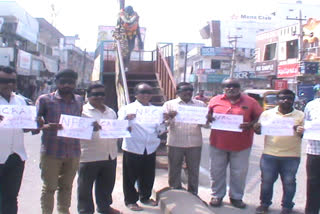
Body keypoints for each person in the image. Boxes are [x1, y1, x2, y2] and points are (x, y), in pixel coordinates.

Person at [207, 78, 263, 208]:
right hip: (217, 143)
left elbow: (259, 117)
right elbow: (206, 115)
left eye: (234, 86)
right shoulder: (215, 100)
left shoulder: (251, 102)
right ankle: (217, 195)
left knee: (239, 172)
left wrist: (250, 124)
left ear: (240, 87)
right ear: (223, 88)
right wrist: (208, 117)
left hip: (242, 145)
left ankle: (236, 197)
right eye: (227, 86)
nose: (231, 88)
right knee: (216, 171)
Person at [36, 69, 83, 214]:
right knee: (49, 187)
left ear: (75, 83)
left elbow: (80, 122)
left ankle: (64, 211)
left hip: (73, 151)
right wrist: (46, 126)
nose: (67, 85)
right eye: (63, 82)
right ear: (57, 83)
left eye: (71, 82)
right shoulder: (44, 100)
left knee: (67, 187)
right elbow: (34, 125)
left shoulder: (80, 100)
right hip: (51, 151)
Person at [253, 89, 304, 214]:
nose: (286, 100)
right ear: (277, 100)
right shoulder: (267, 114)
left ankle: (287, 206)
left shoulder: (301, 115)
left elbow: (307, 134)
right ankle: (264, 204)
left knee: (289, 182)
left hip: (292, 155)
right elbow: (259, 131)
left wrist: (300, 130)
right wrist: (256, 128)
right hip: (270, 154)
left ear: (293, 100)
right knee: (266, 181)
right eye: (282, 98)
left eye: (289, 98)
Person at [118, 83, 162, 211]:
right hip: (133, 147)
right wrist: (126, 119)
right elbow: (118, 127)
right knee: (130, 176)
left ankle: (145, 197)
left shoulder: (157, 110)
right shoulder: (127, 109)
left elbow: (160, 129)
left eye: (148, 92)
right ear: (136, 94)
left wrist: (165, 122)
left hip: (150, 147)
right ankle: (130, 200)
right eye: (142, 92)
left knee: (148, 174)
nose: (146, 95)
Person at [77, 84, 120, 214]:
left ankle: (104, 208)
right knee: (85, 188)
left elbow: (115, 129)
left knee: (106, 186)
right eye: (95, 94)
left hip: (109, 154)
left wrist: (124, 130)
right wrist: (89, 127)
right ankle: (85, 211)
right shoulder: (81, 111)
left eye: (102, 94)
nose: (99, 97)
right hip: (89, 156)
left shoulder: (111, 112)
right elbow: (74, 130)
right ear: (88, 96)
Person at [163, 82, 207, 195]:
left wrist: (207, 119)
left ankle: (193, 193)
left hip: (194, 143)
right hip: (175, 142)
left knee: (193, 170)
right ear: (178, 92)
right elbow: (163, 124)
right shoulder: (169, 105)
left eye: (190, 90)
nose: (188, 92)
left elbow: (205, 125)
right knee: (174, 168)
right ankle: (176, 191)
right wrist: (169, 117)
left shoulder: (201, 105)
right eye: (185, 90)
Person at [0, 66, 30, 214]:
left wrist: (35, 124)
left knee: (11, 197)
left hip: (16, 157)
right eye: (4, 81)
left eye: (12, 81)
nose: (9, 84)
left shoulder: (21, 102)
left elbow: (26, 128)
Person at [304, 85, 320, 214]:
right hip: (314, 151)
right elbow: (306, 123)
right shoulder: (311, 105)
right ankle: (311, 211)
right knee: (313, 183)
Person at [114, 5, 143, 69]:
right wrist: (116, 37)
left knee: (129, 51)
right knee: (124, 51)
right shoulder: (121, 16)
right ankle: (123, 66)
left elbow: (137, 28)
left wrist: (140, 41)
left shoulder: (135, 18)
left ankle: (126, 66)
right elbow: (117, 27)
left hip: (131, 36)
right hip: (123, 36)